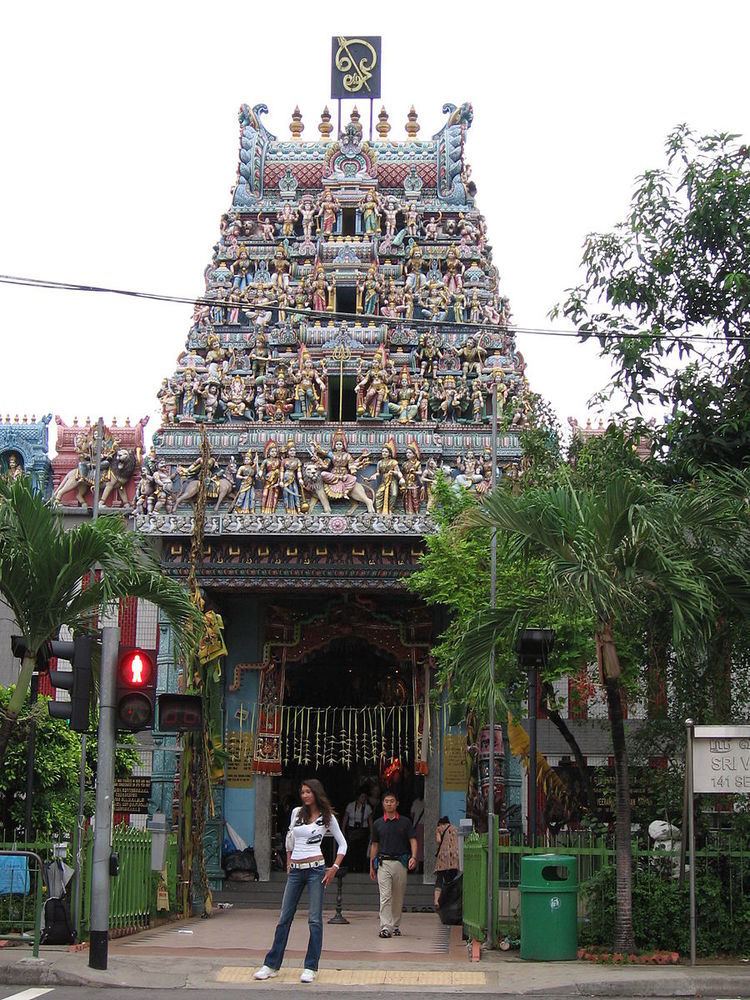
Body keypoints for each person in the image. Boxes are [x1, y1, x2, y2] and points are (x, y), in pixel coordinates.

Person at [254, 779, 347, 984]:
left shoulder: (327, 817)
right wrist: (288, 861)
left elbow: (343, 844)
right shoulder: (297, 813)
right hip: (296, 870)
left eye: (308, 792)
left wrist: (334, 868)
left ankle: (311, 967)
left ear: (316, 793)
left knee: (314, 919)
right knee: (284, 917)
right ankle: (271, 964)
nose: (304, 795)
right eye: (302, 792)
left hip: (316, 870)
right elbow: (290, 838)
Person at [369, 791, 417, 938]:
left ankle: (395, 925)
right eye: (386, 801)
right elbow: (375, 845)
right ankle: (385, 926)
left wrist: (414, 857)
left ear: (397, 803)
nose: (389, 803)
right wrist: (372, 865)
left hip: (400, 862)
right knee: (385, 896)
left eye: (392, 801)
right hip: (383, 863)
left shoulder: (405, 822)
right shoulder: (378, 824)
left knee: (398, 896)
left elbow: (413, 840)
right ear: (383, 804)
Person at [342, 788, 373, 872]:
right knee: (352, 849)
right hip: (352, 829)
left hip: (363, 830)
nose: (363, 799)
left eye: (365, 797)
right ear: (358, 797)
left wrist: (371, 832)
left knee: (362, 850)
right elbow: (346, 818)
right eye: (362, 797)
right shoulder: (351, 805)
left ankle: (360, 868)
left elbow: (370, 821)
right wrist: (343, 829)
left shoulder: (367, 807)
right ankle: (351, 867)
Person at [434, 816, 460, 909]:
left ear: (440, 823)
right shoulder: (456, 829)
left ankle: (437, 901)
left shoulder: (439, 828)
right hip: (454, 857)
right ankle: (450, 900)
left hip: (443, 857)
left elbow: (438, 840)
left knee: (440, 879)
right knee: (451, 880)